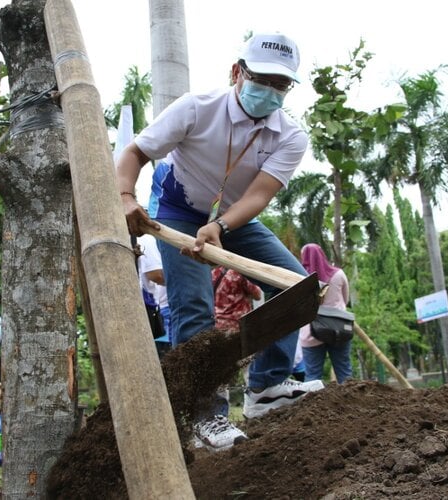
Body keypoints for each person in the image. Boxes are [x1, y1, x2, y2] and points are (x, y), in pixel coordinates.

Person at [116, 32, 324, 451]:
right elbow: (135, 153)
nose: (269, 90)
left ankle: (265, 389)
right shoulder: (197, 108)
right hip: (177, 205)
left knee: (297, 286)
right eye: (261, 78)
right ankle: (204, 417)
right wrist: (124, 197)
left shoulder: (290, 136)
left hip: (231, 217)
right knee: (193, 305)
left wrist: (221, 228)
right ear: (237, 72)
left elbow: (259, 195)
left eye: (280, 85)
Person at [298, 243, 353, 383]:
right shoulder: (339, 274)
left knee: (312, 376)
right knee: (344, 372)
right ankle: (351, 403)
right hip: (339, 329)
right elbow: (345, 299)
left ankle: (312, 404)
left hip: (311, 331)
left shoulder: (300, 278)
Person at [137, 233, 173, 355]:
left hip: (155, 307)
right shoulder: (146, 238)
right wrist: (182, 281)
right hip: (161, 308)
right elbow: (155, 274)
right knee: (167, 355)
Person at [212, 266, 262, 333]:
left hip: (217, 323)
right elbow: (258, 295)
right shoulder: (240, 273)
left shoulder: (214, 272)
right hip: (237, 324)